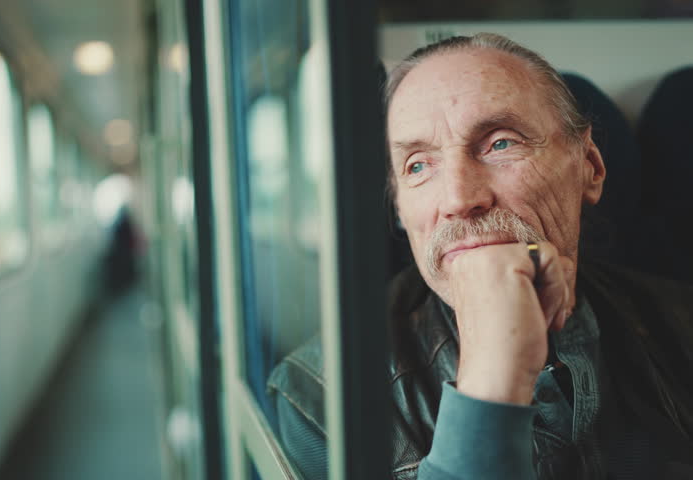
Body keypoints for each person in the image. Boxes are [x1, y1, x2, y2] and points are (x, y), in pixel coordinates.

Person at [267, 33, 693, 479]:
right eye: (418, 165)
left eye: (500, 143)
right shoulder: (321, 396)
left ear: (590, 167)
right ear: (399, 209)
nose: (458, 198)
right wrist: (490, 385)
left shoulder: (681, 322)